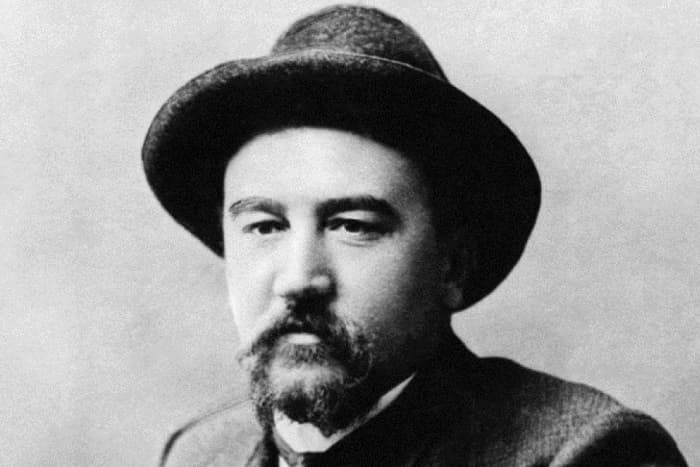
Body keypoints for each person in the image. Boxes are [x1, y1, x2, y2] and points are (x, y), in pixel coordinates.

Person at [142, 5, 687, 466]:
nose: (299, 279)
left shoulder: (586, 452)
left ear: (452, 267)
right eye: (265, 226)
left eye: (353, 226)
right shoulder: (198, 453)